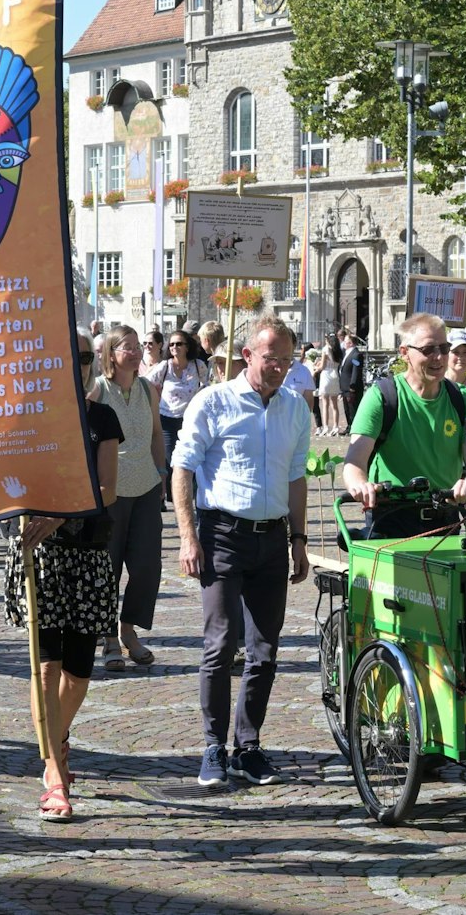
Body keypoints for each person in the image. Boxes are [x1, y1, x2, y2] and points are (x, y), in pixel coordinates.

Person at [171, 316, 311, 787]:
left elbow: (296, 476)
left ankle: (247, 746)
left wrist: (299, 539)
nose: (279, 369)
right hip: (222, 534)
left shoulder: (295, 407)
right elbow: (183, 468)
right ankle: (213, 745)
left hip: (272, 538)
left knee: (265, 651)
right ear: (248, 354)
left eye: (287, 361)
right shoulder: (213, 401)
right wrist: (188, 537)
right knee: (220, 644)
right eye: (272, 358)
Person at [11, 332, 122, 821]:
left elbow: (108, 490)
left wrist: (58, 514)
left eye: (82, 359)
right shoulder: (30, 418)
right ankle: (54, 774)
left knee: (79, 672)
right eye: (66, 358)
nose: (75, 367)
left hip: (88, 553)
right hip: (43, 556)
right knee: (47, 666)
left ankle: (53, 735)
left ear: (93, 363)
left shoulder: (102, 419)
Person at [339, 314, 466, 539]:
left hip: (446, 516)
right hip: (391, 518)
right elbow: (354, 461)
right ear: (405, 353)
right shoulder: (383, 397)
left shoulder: (462, 399)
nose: (439, 357)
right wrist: (360, 485)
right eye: (428, 350)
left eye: (444, 348)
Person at [90, 324, 166, 671]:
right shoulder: (98, 389)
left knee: (147, 567)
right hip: (110, 490)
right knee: (108, 565)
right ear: (111, 353)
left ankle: (128, 630)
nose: (135, 352)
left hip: (146, 486)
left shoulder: (148, 388)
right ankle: (108, 638)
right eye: (127, 347)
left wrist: (161, 474)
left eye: (139, 346)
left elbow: (155, 435)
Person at [143, 329, 210, 506]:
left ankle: (185, 496)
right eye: (171, 344)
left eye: (178, 344)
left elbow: (207, 386)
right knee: (167, 460)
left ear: (187, 346)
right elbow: (144, 383)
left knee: (188, 459)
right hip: (166, 419)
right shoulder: (165, 367)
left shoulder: (197, 366)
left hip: (190, 420)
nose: (174, 347)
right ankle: (166, 497)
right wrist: (153, 399)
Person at [317, 342, 347, 435]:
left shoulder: (326, 349)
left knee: (325, 404)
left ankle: (325, 427)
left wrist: (316, 367)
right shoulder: (338, 349)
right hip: (335, 375)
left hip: (326, 375)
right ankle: (335, 426)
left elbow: (322, 366)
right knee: (335, 405)